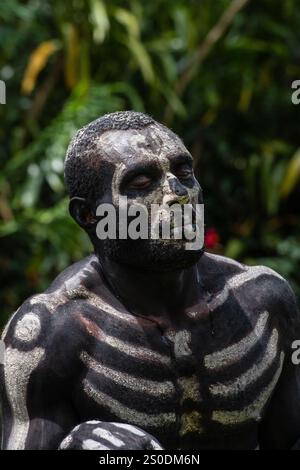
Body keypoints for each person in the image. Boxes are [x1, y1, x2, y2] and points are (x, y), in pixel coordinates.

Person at [1, 111, 300, 450]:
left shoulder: (264, 301)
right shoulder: (51, 335)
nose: (177, 195)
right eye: (142, 183)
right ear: (88, 215)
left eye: (184, 172)